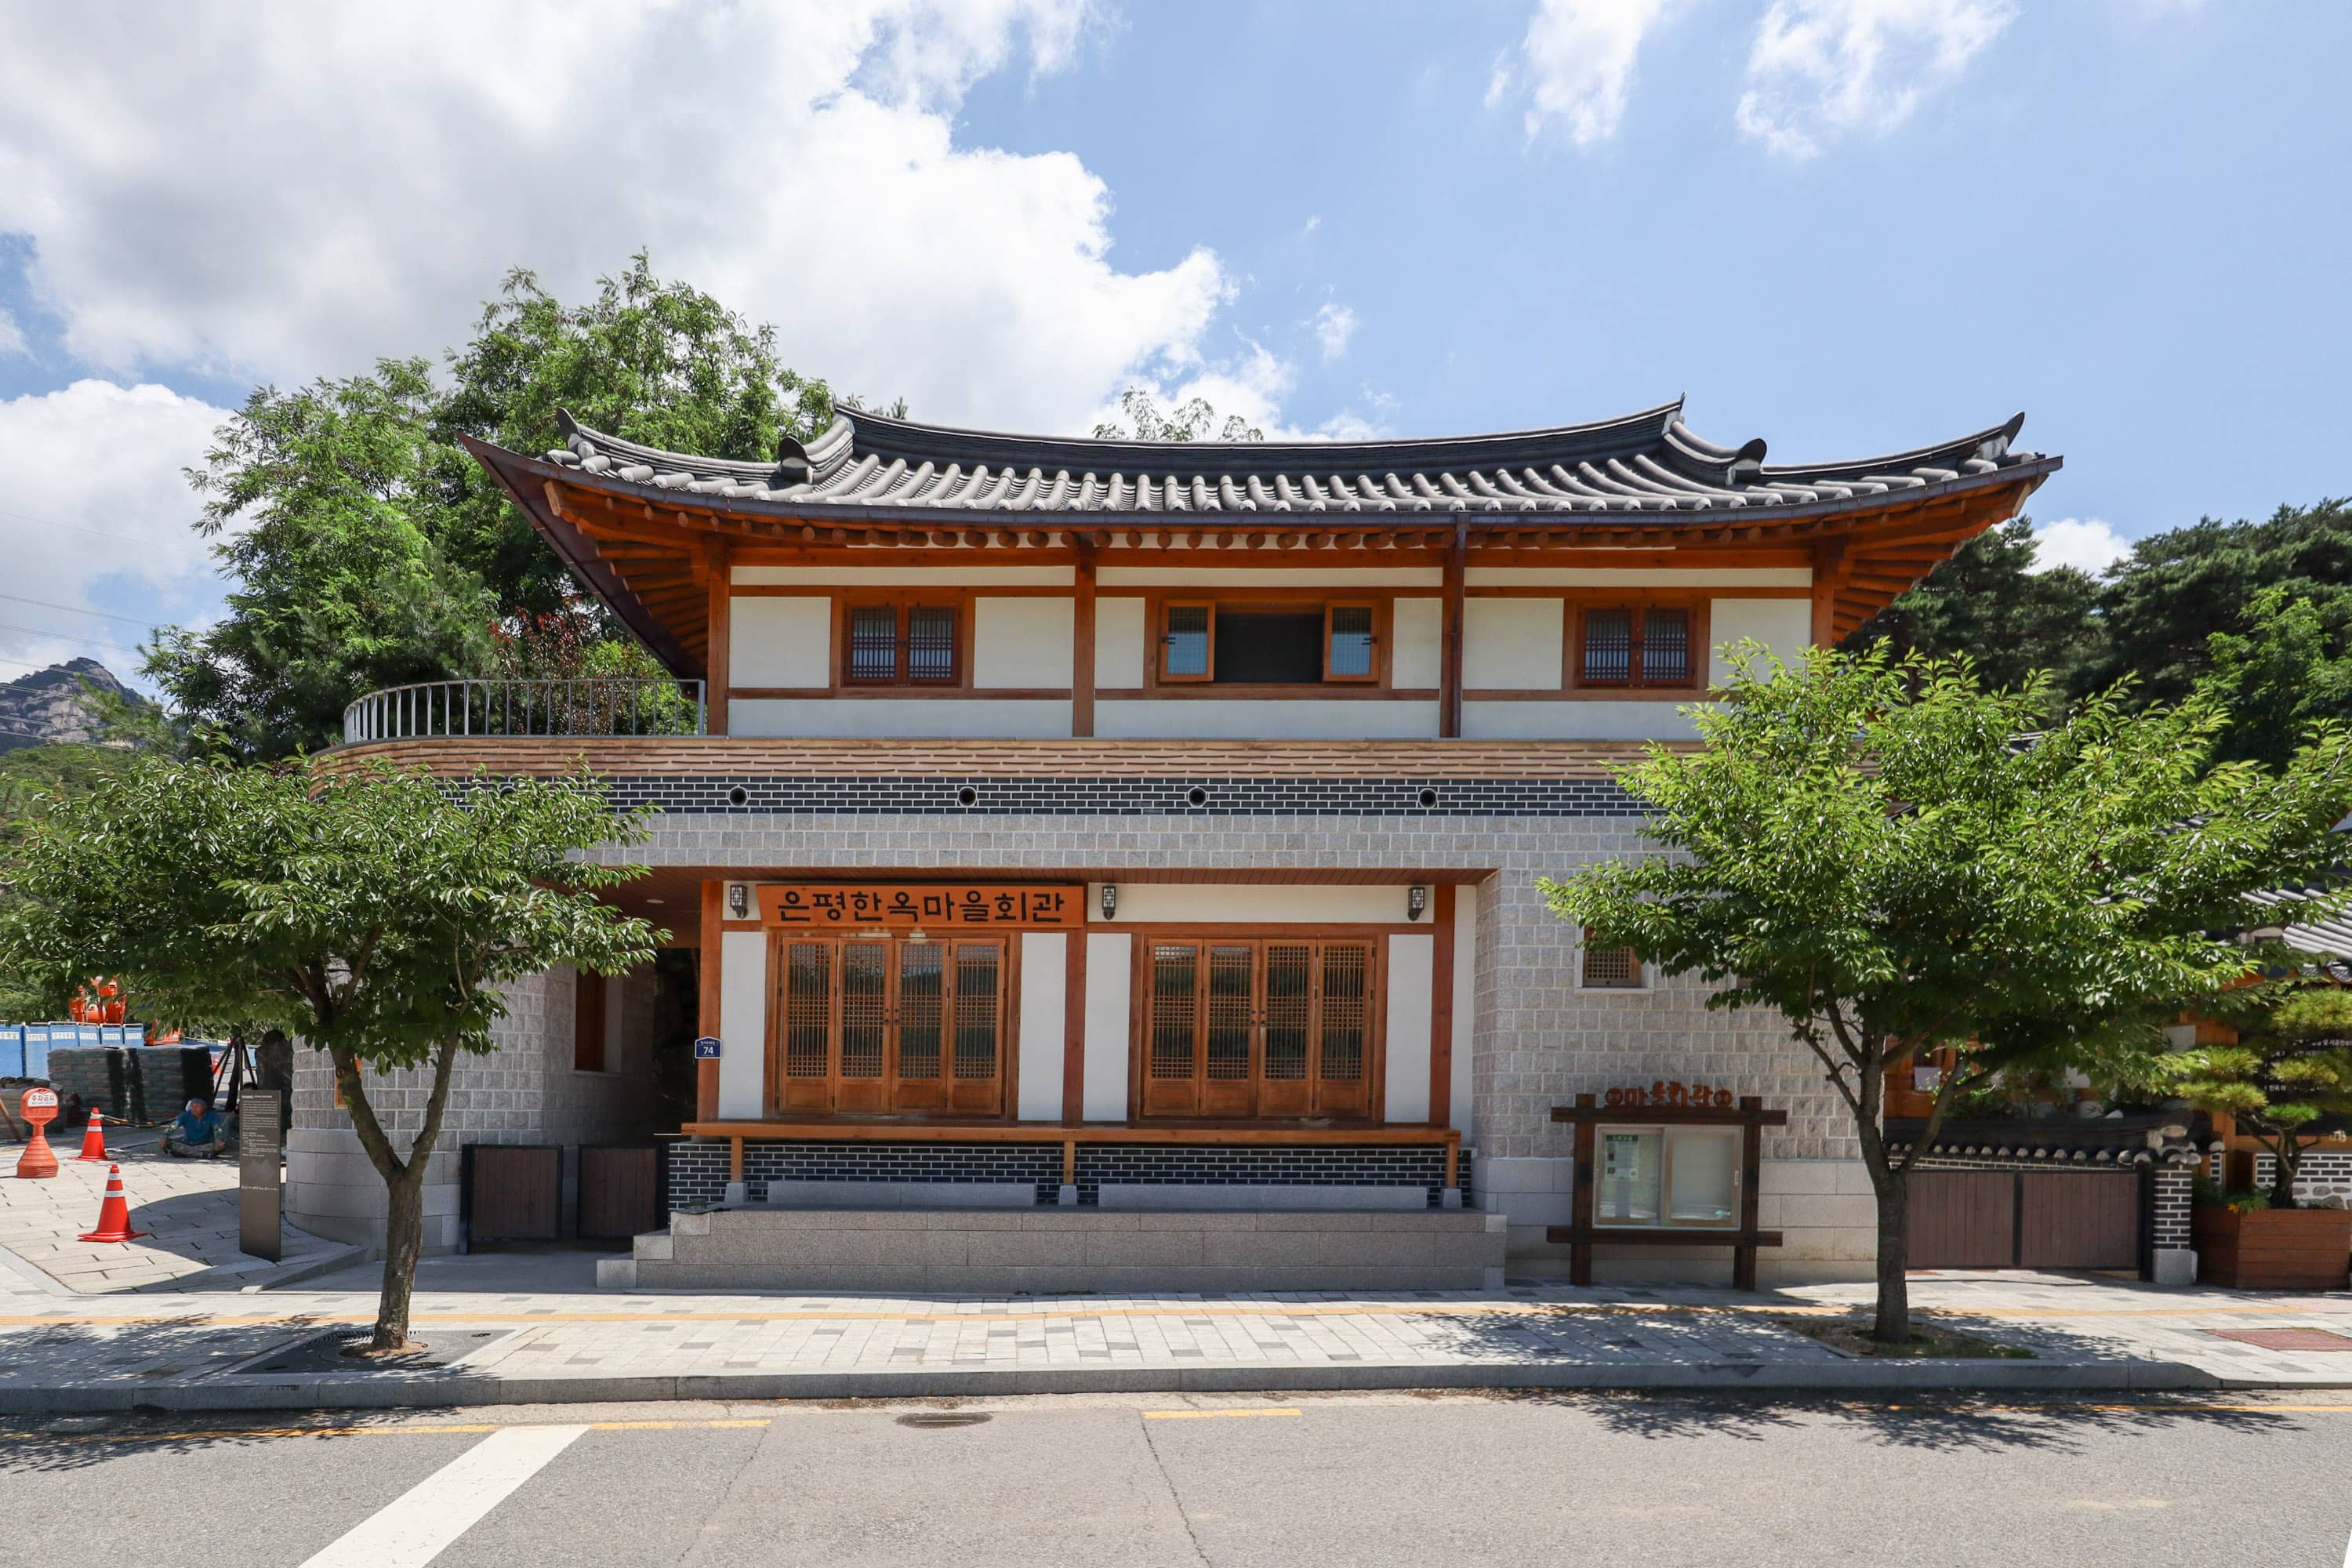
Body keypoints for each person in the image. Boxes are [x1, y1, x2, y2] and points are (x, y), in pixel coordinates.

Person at [162, 1098, 226, 1159]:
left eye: (197, 1107)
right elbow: (173, 1126)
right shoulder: (185, 1115)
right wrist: (164, 1136)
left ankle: (185, 1153)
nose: (194, 1109)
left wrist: (218, 1140)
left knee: (220, 1146)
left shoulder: (212, 1116)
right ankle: (201, 1154)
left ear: (205, 1107)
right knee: (167, 1143)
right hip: (188, 1143)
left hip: (205, 1144)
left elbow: (217, 1129)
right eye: (192, 1106)